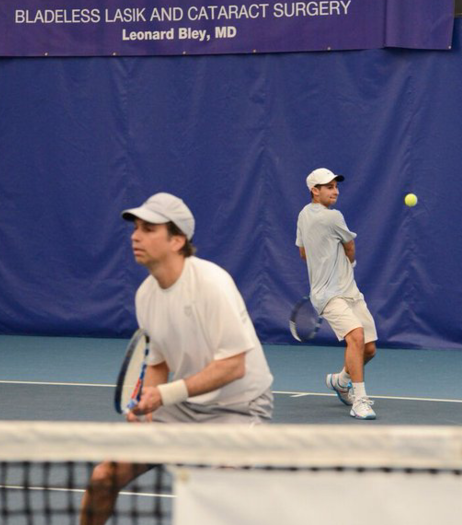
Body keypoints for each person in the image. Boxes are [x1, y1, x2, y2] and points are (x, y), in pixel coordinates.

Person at [81, 192, 274, 525]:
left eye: (148, 229)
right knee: (103, 477)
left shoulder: (212, 283)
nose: (135, 236)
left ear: (177, 240)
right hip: (184, 408)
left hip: (239, 408)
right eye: (135, 228)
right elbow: (158, 362)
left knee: (217, 497)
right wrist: (148, 407)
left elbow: (233, 366)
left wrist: (163, 395)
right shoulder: (146, 295)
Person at [295, 168, 377, 420]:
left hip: (348, 291)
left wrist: (327, 265)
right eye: (328, 187)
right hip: (329, 294)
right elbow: (349, 246)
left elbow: (303, 252)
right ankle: (360, 400)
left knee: (370, 349)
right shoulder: (333, 217)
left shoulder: (302, 215)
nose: (335, 191)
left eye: (335, 186)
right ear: (314, 190)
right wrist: (347, 265)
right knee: (356, 336)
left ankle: (341, 381)